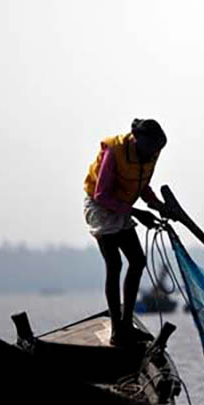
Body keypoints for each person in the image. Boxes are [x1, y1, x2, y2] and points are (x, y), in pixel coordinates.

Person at [83, 118, 174, 346]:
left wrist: (157, 206)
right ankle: (117, 330)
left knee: (138, 260)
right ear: (137, 141)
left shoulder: (151, 152)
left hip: (122, 206)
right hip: (100, 207)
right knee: (114, 264)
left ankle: (126, 324)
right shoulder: (115, 151)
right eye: (150, 149)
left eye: (156, 150)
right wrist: (137, 213)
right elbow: (102, 194)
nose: (152, 154)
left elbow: (141, 185)